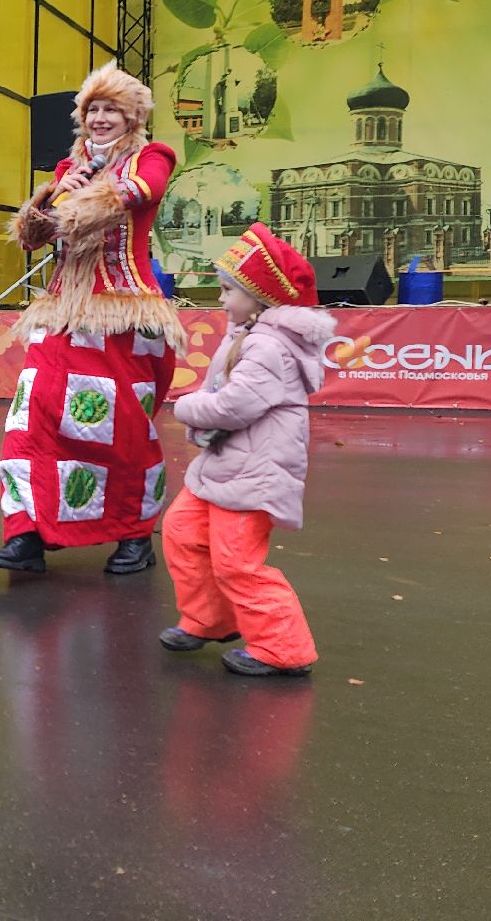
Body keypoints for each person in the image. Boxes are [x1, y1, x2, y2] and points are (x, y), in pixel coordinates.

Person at [0, 61, 183, 577]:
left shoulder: (150, 156)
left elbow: (139, 194)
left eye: (110, 109)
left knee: (120, 429)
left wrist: (85, 188)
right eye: (92, 109)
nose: (99, 118)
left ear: (131, 116)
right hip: (63, 313)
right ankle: (26, 532)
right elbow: (35, 236)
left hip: (123, 313)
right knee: (32, 416)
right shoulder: (64, 170)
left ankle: (134, 535)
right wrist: (51, 195)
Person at [159, 223, 331, 678]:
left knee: (237, 561)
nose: (220, 299)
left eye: (228, 290)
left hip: (255, 471)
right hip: (226, 464)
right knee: (181, 531)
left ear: (260, 297)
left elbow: (235, 404)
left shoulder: (269, 345)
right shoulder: (248, 335)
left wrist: (187, 407)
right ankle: (210, 619)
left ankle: (283, 648)